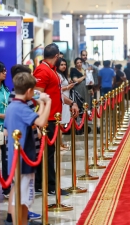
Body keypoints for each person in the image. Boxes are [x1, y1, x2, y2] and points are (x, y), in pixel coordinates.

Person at [4, 72, 51, 225]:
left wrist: (41, 104)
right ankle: (18, 221)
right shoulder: (21, 108)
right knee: (23, 198)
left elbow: (34, 121)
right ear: (30, 91)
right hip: (23, 160)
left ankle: (21, 222)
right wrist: (47, 102)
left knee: (21, 197)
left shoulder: (12, 107)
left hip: (15, 158)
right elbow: (42, 122)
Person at [33, 43, 79, 195]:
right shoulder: (42, 70)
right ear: (56, 56)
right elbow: (36, 95)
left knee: (48, 152)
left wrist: (72, 102)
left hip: (54, 117)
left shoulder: (52, 70)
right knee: (48, 153)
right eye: (59, 56)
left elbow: (57, 94)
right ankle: (50, 186)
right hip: (47, 119)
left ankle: (42, 183)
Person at [56, 58, 75, 150]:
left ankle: (61, 143)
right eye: (61, 65)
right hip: (62, 100)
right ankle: (59, 144)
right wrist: (68, 87)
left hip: (65, 100)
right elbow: (58, 89)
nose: (63, 66)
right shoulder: (58, 75)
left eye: (64, 64)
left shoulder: (63, 75)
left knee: (63, 123)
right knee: (61, 123)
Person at [0, 61, 10, 200]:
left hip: (6, 130)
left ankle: (7, 188)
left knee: (7, 160)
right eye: (2, 71)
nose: (5, 73)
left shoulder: (6, 91)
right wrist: (4, 115)